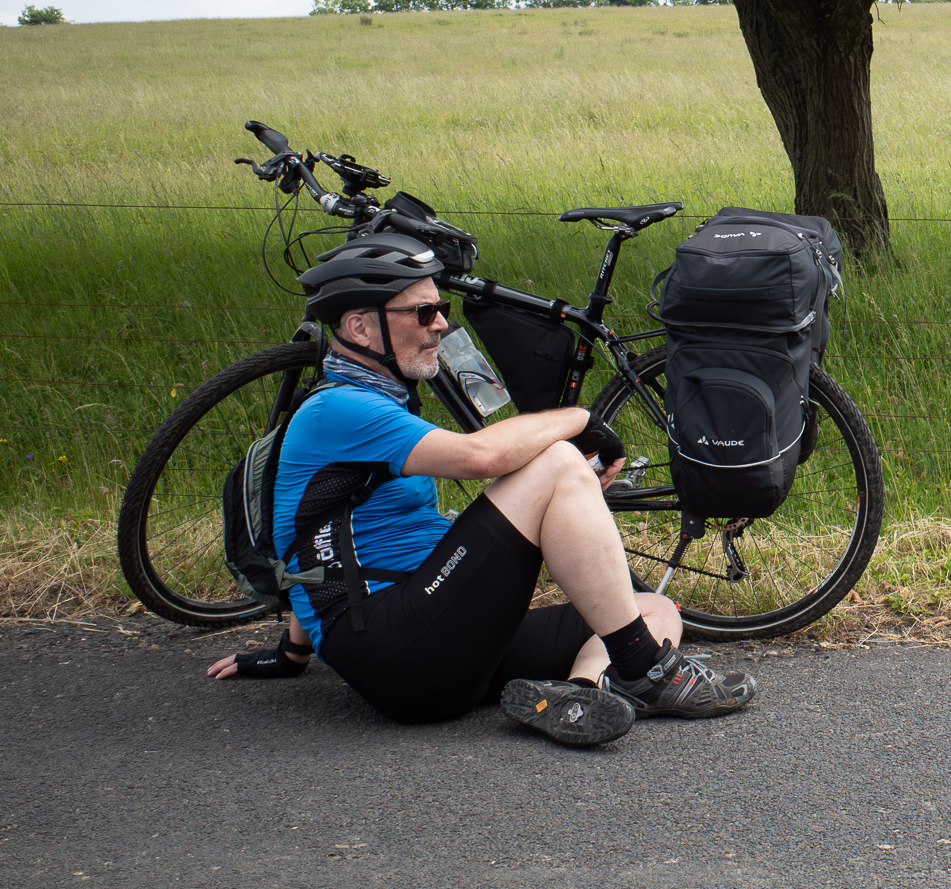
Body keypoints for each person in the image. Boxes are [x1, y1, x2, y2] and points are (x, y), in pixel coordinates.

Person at [207, 233, 754, 747]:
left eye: (439, 308)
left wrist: (292, 654)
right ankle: (647, 674)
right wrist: (582, 419)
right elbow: (483, 456)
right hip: (396, 649)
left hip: (447, 643)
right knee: (559, 461)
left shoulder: (378, 407)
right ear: (360, 328)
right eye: (422, 312)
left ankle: (583, 695)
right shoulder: (338, 409)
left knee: (652, 610)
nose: (441, 324)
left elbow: (311, 537)